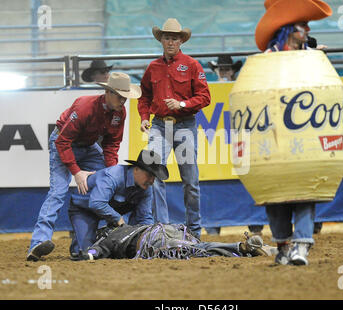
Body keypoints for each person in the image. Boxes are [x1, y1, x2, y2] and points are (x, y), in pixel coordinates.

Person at [27, 72, 141, 262]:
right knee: (58, 192)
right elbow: (62, 141)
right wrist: (76, 171)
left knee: (107, 184)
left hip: (88, 146)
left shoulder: (120, 113)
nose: (123, 101)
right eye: (120, 96)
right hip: (64, 144)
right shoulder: (84, 106)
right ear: (108, 92)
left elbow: (112, 144)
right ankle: (38, 242)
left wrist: (111, 174)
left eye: (125, 97)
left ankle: (83, 243)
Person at [254, 0, 333, 265]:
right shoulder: (265, 61)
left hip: (304, 133)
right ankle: (284, 245)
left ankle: (301, 244)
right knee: (275, 195)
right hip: (273, 136)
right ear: (290, 29)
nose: (307, 30)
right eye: (302, 26)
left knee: (304, 191)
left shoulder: (311, 58)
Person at [137, 18, 211, 239]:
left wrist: (182, 104)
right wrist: (143, 117)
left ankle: (194, 231)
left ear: (181, 41)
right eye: (167, 38)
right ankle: (162, 229)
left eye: (174, 38)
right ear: (161, 40)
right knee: (153, 174)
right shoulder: (153, 68)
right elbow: (145, 96)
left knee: (190, 181)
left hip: (185, 125)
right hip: (159, 125)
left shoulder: (191, 65)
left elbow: (205, 97)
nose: (170, 42)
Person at [67, 149, 169, 260]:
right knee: (85, 253)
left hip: (112, 210)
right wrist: (117, 219)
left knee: (129, 248)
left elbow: (144, 217)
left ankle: (102, 236)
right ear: (136, 169)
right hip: (84, 209)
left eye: (154, 177)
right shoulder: (113, 176)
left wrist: (149, 237)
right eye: (149, 175)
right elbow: (96, 203)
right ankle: (86, 237)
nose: (152, 181)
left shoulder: (146, 188)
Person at [206, 55, 264, 236]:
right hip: (219, 143)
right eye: (221, 70)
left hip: (233, 142)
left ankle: (255, 227)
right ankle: (214, 228)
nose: (224, 73)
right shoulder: (211, 90)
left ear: (233, 71)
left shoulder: (241, 89)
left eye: (226, 69)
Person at [78, 223, 278, 261]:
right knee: (198, 247)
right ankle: (252, 248)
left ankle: (241, 248)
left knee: (196, 250)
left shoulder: (107, 239)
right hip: (167, 228)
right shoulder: (129, 226)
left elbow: (93, 253)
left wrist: (85, 254)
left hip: (152, 242)